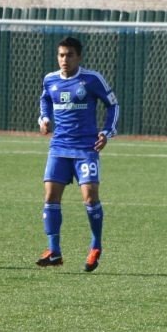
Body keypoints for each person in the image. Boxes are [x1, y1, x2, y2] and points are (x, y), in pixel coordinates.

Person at [36, 37, 119, 272]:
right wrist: (44, 119)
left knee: (90, 198)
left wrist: (106, 132)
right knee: (50, 197)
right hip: (59, 147)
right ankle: (54, 251)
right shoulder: (50, 80)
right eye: (61, 55)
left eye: (70, 55)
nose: (65, 59)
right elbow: (45, 100)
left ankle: (96, 245)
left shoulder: (91, 80)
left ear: (78, 57)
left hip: (85, 149)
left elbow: (113, 104)